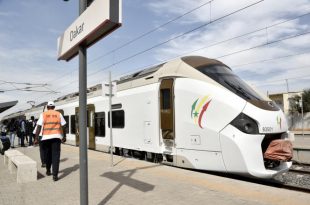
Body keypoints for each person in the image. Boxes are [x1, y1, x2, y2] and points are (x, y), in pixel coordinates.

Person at [35, 101, 66, 181]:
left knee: (48, 155)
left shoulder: (43, 114)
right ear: (54, 107)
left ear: (47, 107)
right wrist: (64, 136)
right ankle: (55, 175)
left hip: (46, 138)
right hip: (56, 138)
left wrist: (36, 138)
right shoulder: (58, 114)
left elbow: (38, 126)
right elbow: (64, 125)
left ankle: (48, 170)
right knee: (56, 157)